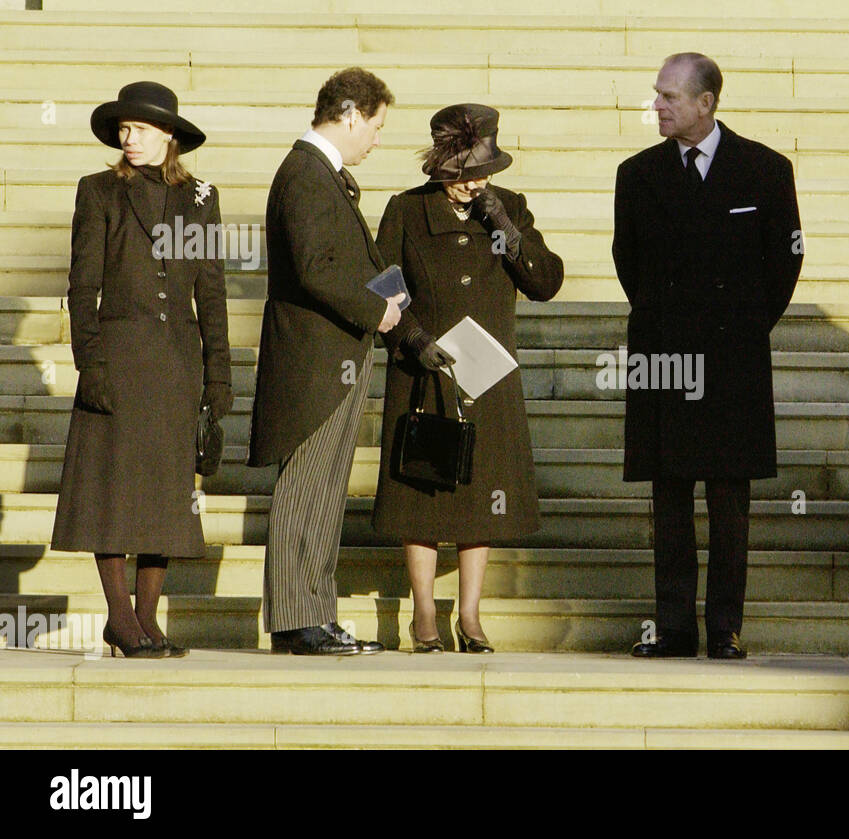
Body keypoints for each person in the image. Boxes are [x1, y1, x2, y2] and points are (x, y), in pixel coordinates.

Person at [614, 53, 803, 660]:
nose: (658, 106)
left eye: (670, 96)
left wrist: (742, 328)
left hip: (733, 359)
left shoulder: (767, 170)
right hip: (663, 358)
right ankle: (673, 627)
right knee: (669, 499)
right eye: (657, 94)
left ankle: (724, 628)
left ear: (706, 102)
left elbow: (786, 260)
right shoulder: (637, 173)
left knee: (729, 502)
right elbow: (629, 261)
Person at [373, 103, 563, 653]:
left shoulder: (511, 208)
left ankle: (472, 616)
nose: (471, 183)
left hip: (487, 375)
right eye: (460, 174)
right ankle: (425, 615)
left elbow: (545, 282)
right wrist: (411, 338)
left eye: (481, 172)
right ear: (439, 168)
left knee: (483, 496)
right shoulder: (406, 210)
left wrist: (503, 224)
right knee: (422, 495)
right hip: (423, 368)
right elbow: (384, 283)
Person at [51, 81, 232, 658]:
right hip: (119, 358)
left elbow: (212, 290)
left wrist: (219, 378)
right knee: (112, 492)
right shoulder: (99, 190)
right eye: (123, 130)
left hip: (178, 362)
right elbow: (83, 286)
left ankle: (146, 621)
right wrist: (91, 362)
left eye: (141, 130)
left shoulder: (201, 197)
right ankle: (121, 617)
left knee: (166, 497)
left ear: (168, 136)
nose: (129, 139)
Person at [247, 67, 404, 656]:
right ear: (349, 114)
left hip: (332, 354)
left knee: (324, 490)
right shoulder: (307, 174)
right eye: (377, 126)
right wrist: (376, 310)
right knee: (306, 489)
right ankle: (298, 618)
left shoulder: (318, 174)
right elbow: (315, 268)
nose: (377, 140)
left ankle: (311, 613)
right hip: (315, 360)